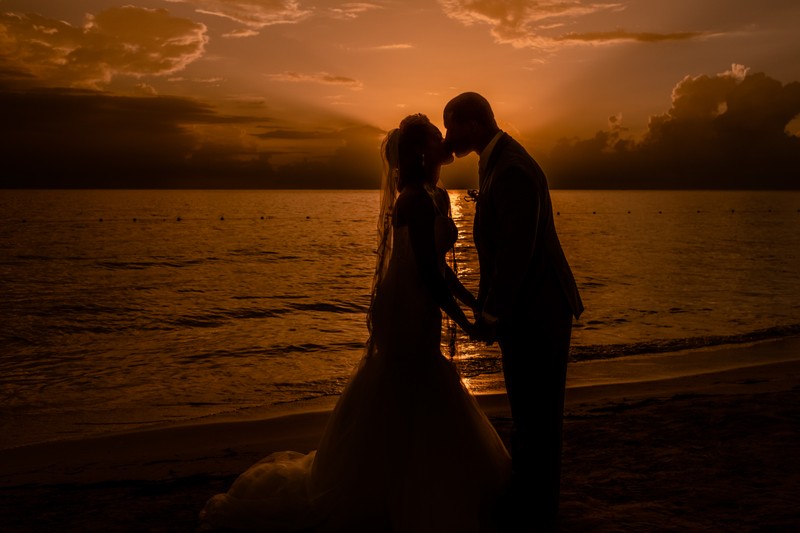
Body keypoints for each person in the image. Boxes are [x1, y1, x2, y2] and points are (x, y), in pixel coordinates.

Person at [199, 114, 512, 533]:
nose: (445, 141)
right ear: (422, 151)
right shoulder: (414, 200)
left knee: (420, 384)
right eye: (438, 137)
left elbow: (440, 271)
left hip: (421, 300)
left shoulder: (436, 195)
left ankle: (407, 475)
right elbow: (425, 276)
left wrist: (476, 302)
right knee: (408, 380)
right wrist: (470, 324)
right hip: (405, 306)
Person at [443, 92, 584, 531]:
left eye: (452, 126)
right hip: (529, 309)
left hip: (539, 311)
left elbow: (516, 254)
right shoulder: (496, 161)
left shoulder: (514, 170)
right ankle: (533, 505)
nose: (449, 137)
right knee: (529, 414)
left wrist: (491, 314)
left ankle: (538, 512)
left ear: (472, 124)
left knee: (538, 417)